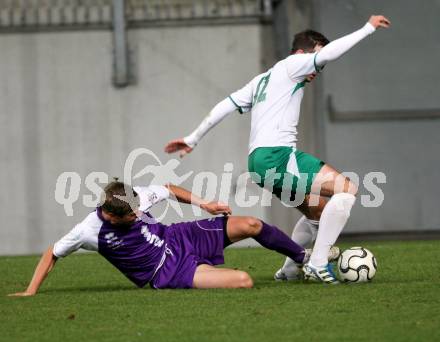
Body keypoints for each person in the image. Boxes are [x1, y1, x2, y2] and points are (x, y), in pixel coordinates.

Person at [164, 15, 390, 284]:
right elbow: (329, 53)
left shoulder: (263, 79)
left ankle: (290, 270)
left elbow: (226, 104)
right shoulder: (294, 64)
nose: (319, 68)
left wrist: (193, 137)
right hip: (278, 156)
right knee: (347, 190)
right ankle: (317, 263)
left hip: (258, 162)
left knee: (316, 211)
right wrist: (367, 28)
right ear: (306, 50)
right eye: (318, 59)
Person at [9, 181, 318, 296]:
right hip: (167, 272)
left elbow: (169, 188)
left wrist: (204, 203)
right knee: (243, 281)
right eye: (132, 215)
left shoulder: (133, 198)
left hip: (180, 236)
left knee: (251, 223)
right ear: (112, 215)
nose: (139, 213)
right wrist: (30, 291)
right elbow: (53, 252)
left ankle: (306, 260)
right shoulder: (89, 229)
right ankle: (296, 267)